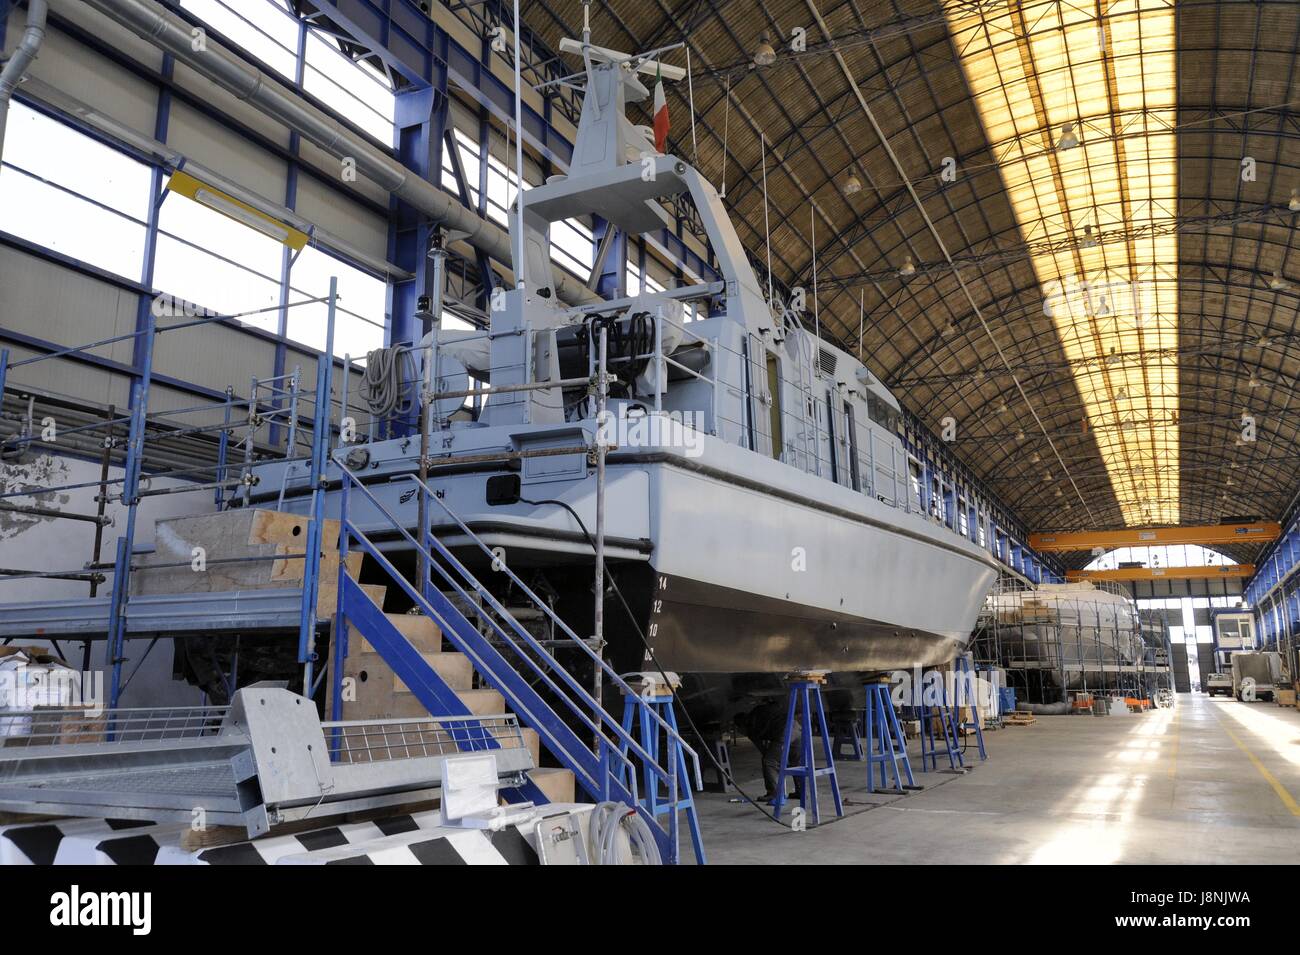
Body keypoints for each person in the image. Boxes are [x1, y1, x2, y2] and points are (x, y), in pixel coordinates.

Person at [738, 699, 802, 803]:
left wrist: (775, 759)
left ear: (741, 726)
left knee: (769, 762)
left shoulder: (751, 729)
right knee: (796, 763)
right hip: (796, 727)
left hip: (784, 732)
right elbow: (777, 705)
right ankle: (801, 792)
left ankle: (773, 794)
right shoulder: (757, 710)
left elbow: (764, 752)